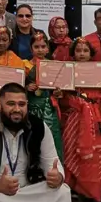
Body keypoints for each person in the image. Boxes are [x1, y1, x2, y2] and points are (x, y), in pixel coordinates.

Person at [59, 38, 101, 202]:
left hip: (95, 116)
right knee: (72, 150)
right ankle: (72, 185)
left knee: (95, 152)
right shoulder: (67, 71)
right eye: (78, 51)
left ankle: (89, 189)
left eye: (85, 51)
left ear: (91, 54)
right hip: (75, 117)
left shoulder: (99, 71)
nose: (81, 54)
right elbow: (64, 98)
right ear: (73, 53)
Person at [24, 31, 64, 160]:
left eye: (43, 46)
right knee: (32, 139)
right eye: (36, 47)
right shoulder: (24, 65)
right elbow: (17, 88)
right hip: (31, 108)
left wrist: (58, 93)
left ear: (48, 48)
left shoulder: (54, 66)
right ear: (31, 48)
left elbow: (59, 89)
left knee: (52, 139)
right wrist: (26, 88)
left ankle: (54, 173)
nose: (40, 50)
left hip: (49, 109)